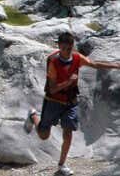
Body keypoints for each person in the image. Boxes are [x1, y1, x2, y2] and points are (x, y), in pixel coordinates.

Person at [23, 32, 120, 176]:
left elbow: (94, 64)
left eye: (70, 48)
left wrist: (116, 66)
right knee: (44, 135)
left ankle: (61, 166)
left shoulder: (76, 57)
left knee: (68, 133)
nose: (68, 52)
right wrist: (68, 81)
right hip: (53, 102)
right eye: (65, 48)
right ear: (59, 47)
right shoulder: (53, 62)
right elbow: (52, 88)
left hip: (70, 101)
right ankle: (33, 116)